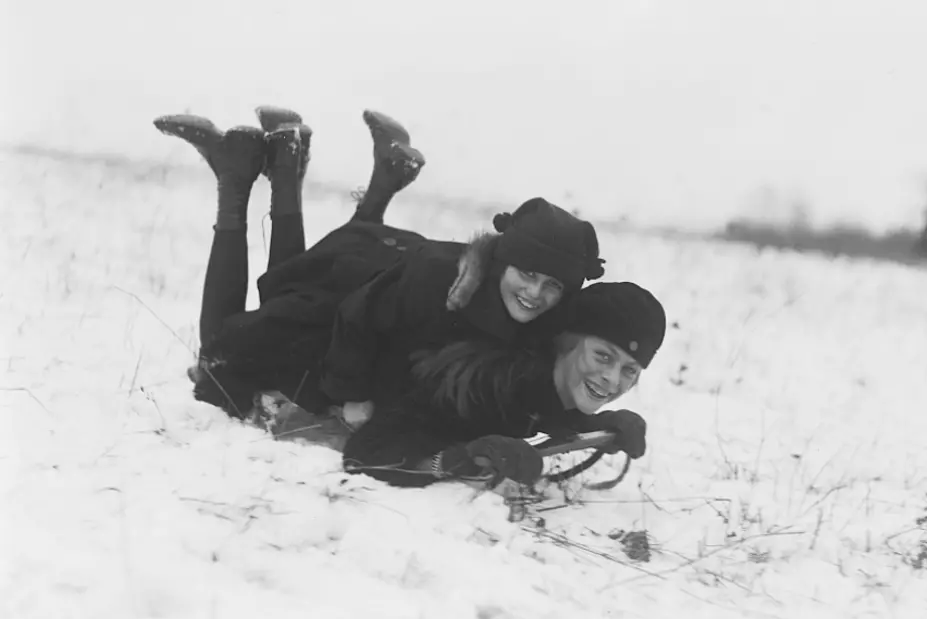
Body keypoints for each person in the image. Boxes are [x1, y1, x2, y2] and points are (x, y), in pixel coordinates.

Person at [153, 106, 606, 424]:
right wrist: (351, 395)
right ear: (505, 262)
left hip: (367, 266)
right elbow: (367, 316)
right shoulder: (452, 286)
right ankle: (238, 179)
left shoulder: (520, 307)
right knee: (220, 352)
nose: (536, 292)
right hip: (349, 301)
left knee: (285, 289)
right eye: (528, 274)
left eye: (552, 286)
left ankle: (294, 161)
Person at [341, 281, 667, 488]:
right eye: (603, 356)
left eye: (630, 370)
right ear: (568, 342)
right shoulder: (489, 382)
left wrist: (599, 426)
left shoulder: (540, 382)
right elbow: (365, 452)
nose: (612, 379)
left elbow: (545, 406)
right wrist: (459, 459)